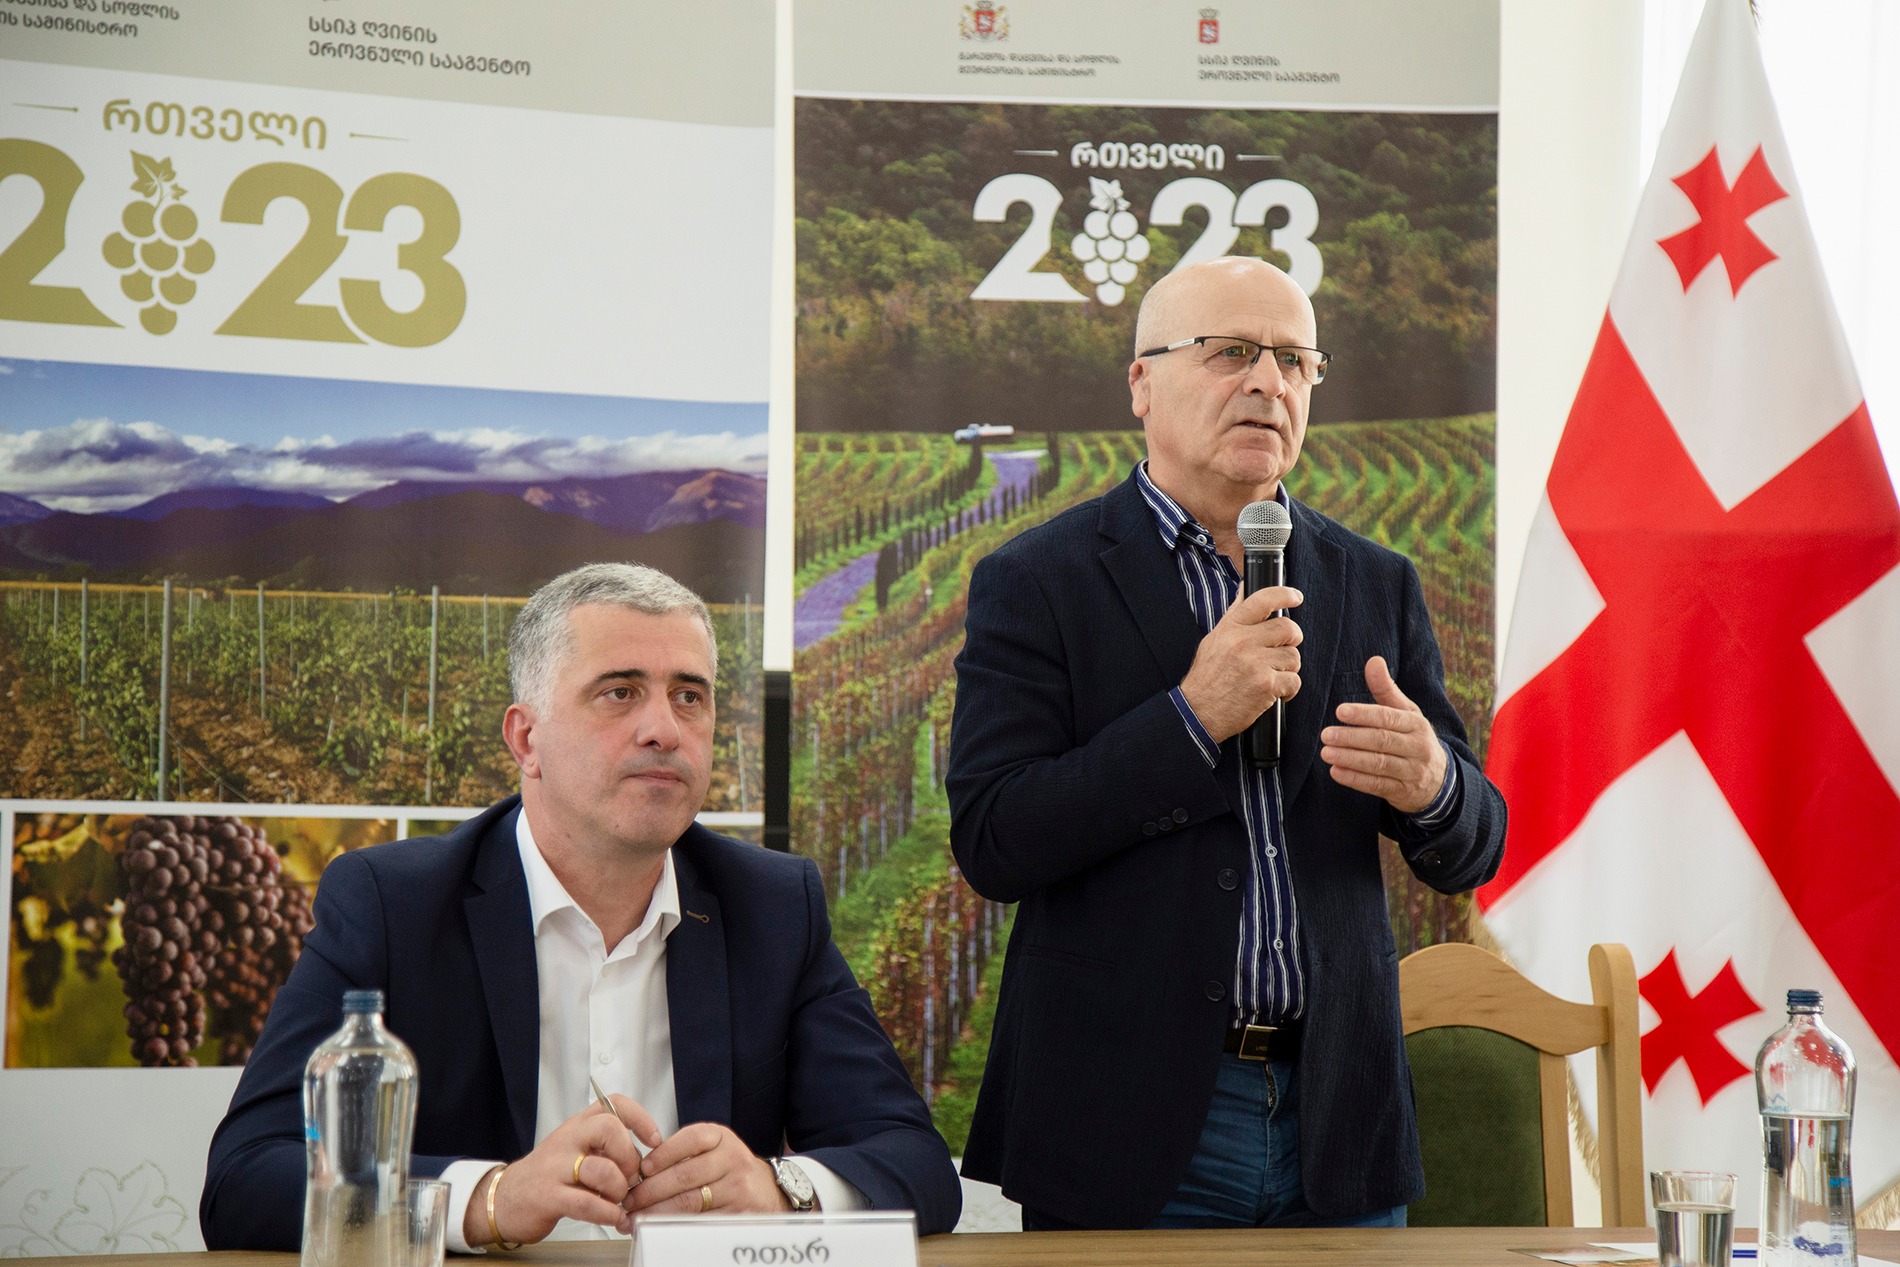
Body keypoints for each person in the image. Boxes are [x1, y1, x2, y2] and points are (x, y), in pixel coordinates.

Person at [945, 256, 1507, 1230]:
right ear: (1141, 383)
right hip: (1128, 1114)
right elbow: (996, 839)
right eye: (1231, 352)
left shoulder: (1374, 579)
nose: (1268, 383)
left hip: (1337, 1114)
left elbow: (1474, 845)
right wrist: (1189, 718)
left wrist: (1435, 786)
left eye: (1295, 360)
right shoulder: (1037, 580)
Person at [202, 564, 961, 1251]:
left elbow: (915, 1161)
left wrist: (780, 1188)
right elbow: (248, 1176)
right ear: (527, 739)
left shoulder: (773, 906)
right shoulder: (393, 903)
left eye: (689, 696)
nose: (663, 728)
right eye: (619, 692)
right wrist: (489, 1198)